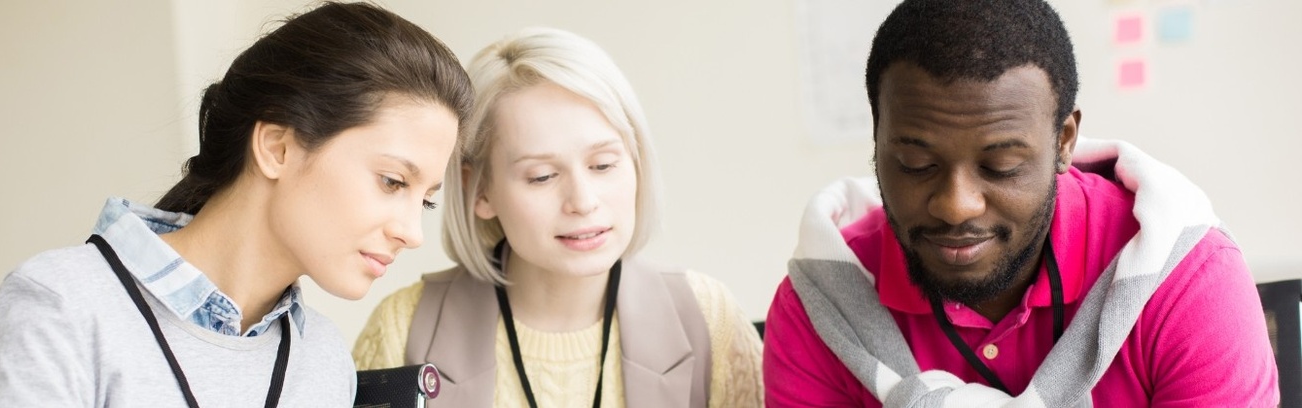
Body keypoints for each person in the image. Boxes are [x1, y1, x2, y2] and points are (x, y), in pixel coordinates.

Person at [762, 0, 1278, 406]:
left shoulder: (1184, 281)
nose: (956, 206)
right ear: (877, 138)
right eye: (917, 165)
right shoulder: (823, 307)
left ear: (1064, 141)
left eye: (1001, 167)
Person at [0, 3, 472, 407]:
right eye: (391, 182)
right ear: (277, 147)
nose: (413, 232)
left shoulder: (321, 358)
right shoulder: (63, 304)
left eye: (425, 201)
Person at [352, 27, 763, 407]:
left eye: (603, 165)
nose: (583, 202)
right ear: (478, 190)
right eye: (542, 176)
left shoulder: (709, 316)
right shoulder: (402, 328)